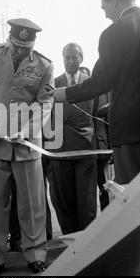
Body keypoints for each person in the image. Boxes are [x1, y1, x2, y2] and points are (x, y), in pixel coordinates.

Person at [49, 0, 140, 185]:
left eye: (105, 8)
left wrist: (65, 93)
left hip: (131, 132)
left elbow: (101, 82)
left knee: (132, 197)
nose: (106, 15)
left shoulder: (114, 33)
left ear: (114, 1)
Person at [0, 18, 54, 276]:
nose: (21, 53)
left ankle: (36, 254)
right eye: (17, 46)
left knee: (32, 204)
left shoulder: (44, 64)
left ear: (32, 45)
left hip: (26, 146)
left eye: (26, 49)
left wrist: (27, 131)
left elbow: (45, 102)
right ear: (9, 39)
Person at [48, 43, 97, 235]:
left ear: (81, 58)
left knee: (87, 200)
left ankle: (89, 240)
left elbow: (99, 117)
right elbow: (46, 119)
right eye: (67, 57)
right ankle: (70, 238)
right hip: (59, 150)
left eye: (74, 57)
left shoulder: (92, 83)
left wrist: (102, 149)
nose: (70, 61)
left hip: (86, 149)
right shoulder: (53, 84)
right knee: (64, 199)